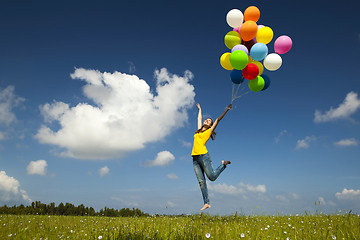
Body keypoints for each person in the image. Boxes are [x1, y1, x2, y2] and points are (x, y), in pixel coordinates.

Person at [192, 102, 232, 211]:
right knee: (201, 182)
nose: (206, 120)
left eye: (209, 121)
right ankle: (207, 203)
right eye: (206, 119)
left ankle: (223, 164)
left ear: (210, 125)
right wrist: (200, 109)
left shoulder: (209, 131)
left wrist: (227, 110)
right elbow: (199, 118)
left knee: (212, 177)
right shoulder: (198, 131)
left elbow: (218, 120)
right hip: (195, 159)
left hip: (204, 156)